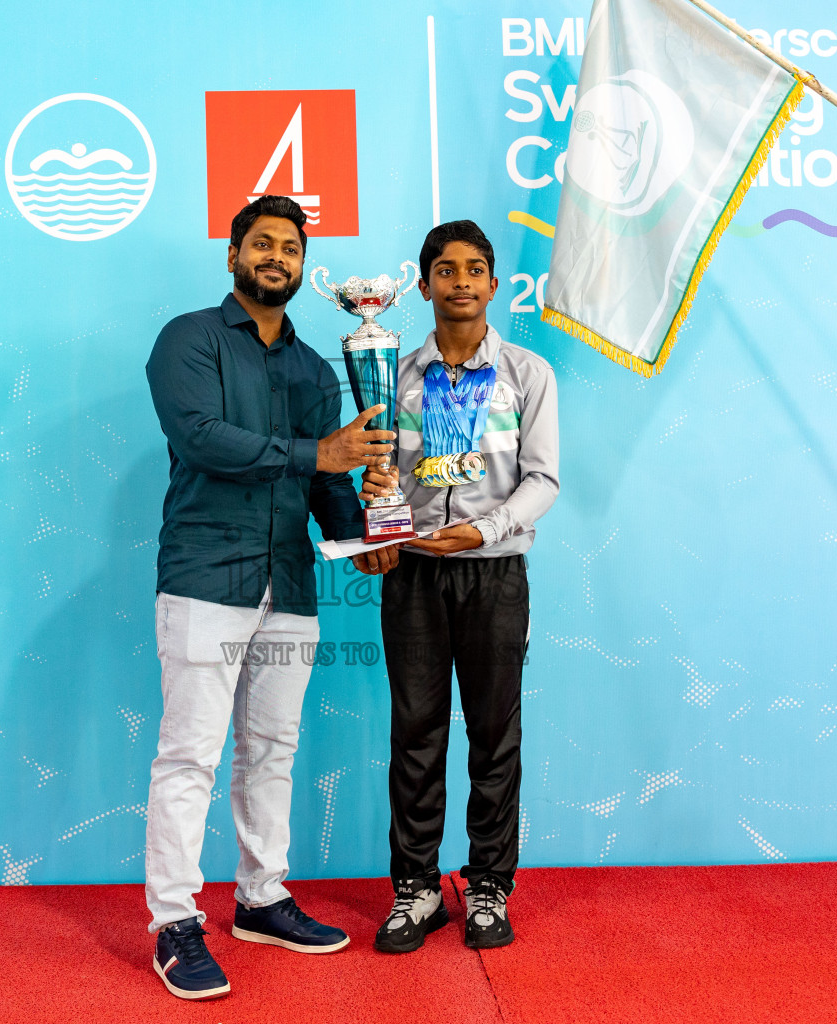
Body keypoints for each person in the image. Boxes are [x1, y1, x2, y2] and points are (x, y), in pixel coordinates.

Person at [143, 195, 394, 1001]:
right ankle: (174, 922)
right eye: (262, 244)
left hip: (289, 585)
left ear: (301, 264)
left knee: (272, 750)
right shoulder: (189, 340)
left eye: (289, 247)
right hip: (206, 576)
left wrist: (364, 535)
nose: (275, 257)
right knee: (191, 754)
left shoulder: (317, 369)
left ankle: (261, 897)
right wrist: (320, 453)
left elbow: (329, 483)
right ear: (234, 256)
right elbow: (202, 439)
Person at [357, 220, 559, 953]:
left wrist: (483, 531)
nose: (462, 281)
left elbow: (543, 479)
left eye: (475, 269)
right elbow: (379, 473)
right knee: (415, 731)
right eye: (446, 270)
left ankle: (488, 886)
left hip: (494, 573)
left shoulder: (528, 373)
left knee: (494, 733)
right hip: (413, 573)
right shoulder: (392, 374)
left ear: (494, 285)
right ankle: (415, 888)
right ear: (424, 286)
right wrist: (376, 514)